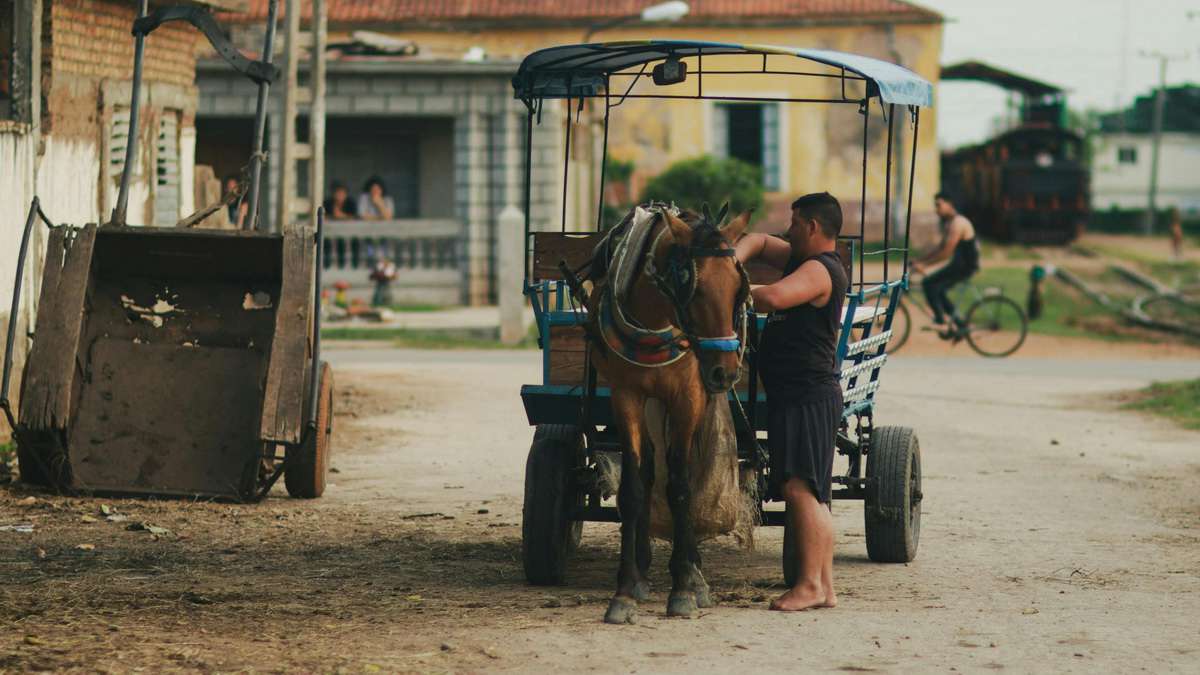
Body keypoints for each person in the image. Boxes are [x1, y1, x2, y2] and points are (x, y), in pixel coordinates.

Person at [735, 191, 847, 612]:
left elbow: (774, 298)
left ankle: (810, 585)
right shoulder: (803, 260)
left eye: (795, 222)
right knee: (808, 490)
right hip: (796, 394)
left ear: (813, 227)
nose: (789, 228)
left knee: (802, 489)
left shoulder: (821, 270)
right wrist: (734, 258)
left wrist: (729, 285)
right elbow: (761, 242)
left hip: (807, 394)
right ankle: (825, 587)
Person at [912, 192, 979, 335]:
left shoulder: (958, 223)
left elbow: (946, 253)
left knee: (929, 284)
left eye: (939, 205)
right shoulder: (949, 223)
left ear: (949, 204)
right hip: (959, 265)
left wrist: (924, 265)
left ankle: (941, 322)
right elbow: (940, 248)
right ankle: (960, 324)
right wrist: (921, 260)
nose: (936, 209)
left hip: (965, 267)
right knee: (937, 288)